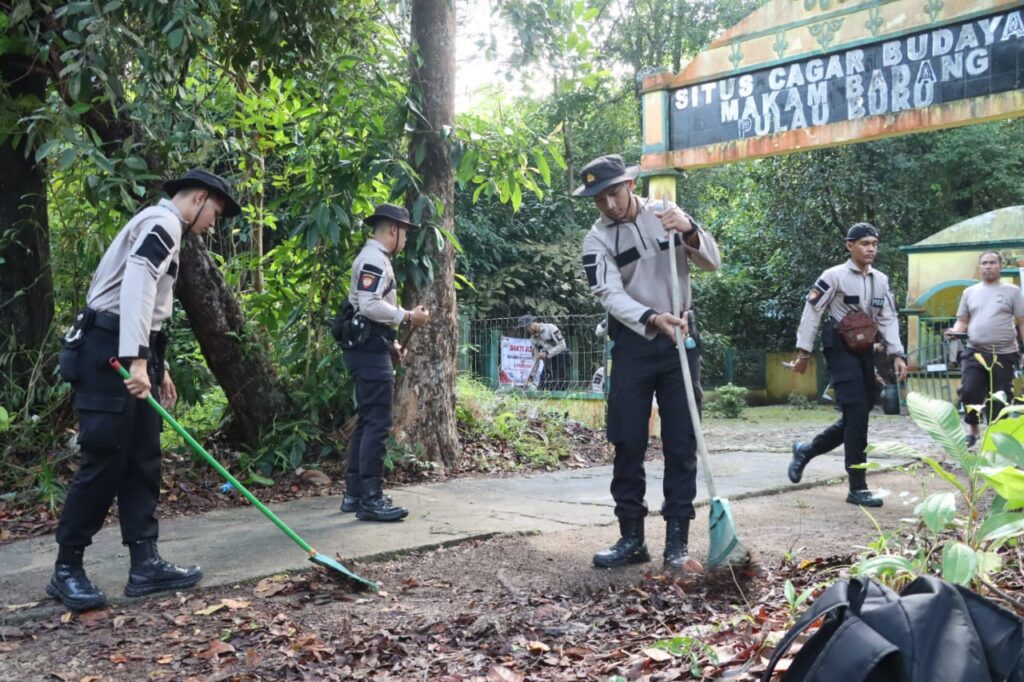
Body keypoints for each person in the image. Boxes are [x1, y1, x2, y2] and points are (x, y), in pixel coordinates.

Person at [50, 169, 241, 611]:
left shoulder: (166, 226)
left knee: (142, 458)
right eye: (215, 212)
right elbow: (135, 286)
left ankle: (145, 563)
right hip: (109, 353)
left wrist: (157, 365)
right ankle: (66, 569)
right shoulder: (164, 223)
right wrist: (137, 359)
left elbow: (151, 303)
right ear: (198, 199)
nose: (213, 223)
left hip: (135, 350)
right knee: (105, 456)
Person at [577, 154, 720, 570]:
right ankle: (631, 538)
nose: (607, 204)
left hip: (682, 341)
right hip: (635, 342)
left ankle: (677, 541)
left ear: (630, 186)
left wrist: (691, 230)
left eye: (613, 193)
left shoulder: (667, 215)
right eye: (598, 199)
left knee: (681, 440)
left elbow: (712, 261)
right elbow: (609, 294)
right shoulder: (597, 240)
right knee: (627, 439)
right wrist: (651, 318)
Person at [788, 223, 908, 508]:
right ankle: (858, 486)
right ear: (849, 246)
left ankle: (806, 450)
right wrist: (803, 353)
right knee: (856, 411)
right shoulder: (834, 276)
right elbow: (812, 310)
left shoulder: (880, 279)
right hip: (839, 347)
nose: (870, 249)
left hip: (865, 349)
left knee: (860, 412)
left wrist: (897, 354)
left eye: (874, 244)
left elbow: (888, 317)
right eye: (864, 243)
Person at [337, 203, 429, 522]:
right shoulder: (375, 260)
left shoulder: (375, 258)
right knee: (378, 423)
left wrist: (391, 341)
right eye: (405, 233)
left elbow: (372, 310)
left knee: (368, 420)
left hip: (370, 346)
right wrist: (407, 316)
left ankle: (355, 494)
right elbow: (369, 305)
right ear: (393, 230)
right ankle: (370, 499)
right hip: (366, 352)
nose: (406, 240)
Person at [945, 251, 1024, 446]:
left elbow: (1022, 322)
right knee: (969, 391)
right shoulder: (970, 292)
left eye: (992, 263)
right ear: (980, 267)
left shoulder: (1013, 291)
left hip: (1004, 353)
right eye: (984, 263)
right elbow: (962, 320)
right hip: (975, 351)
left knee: (1000, 397)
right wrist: (955, 331)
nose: (988, 266)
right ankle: (973, 428)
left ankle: (996, 437)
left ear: (1000, 266)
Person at [516, 315, 570, 390]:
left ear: (531, 326)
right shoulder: (533, 339)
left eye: (526, 329)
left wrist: (547, 353)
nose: (526, 331)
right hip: (548, 361)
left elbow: (563, 345)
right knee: (544, 385)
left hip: (561, 358)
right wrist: (531, 376)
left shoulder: (551, 328)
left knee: (559, 385)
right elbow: (536, 358)